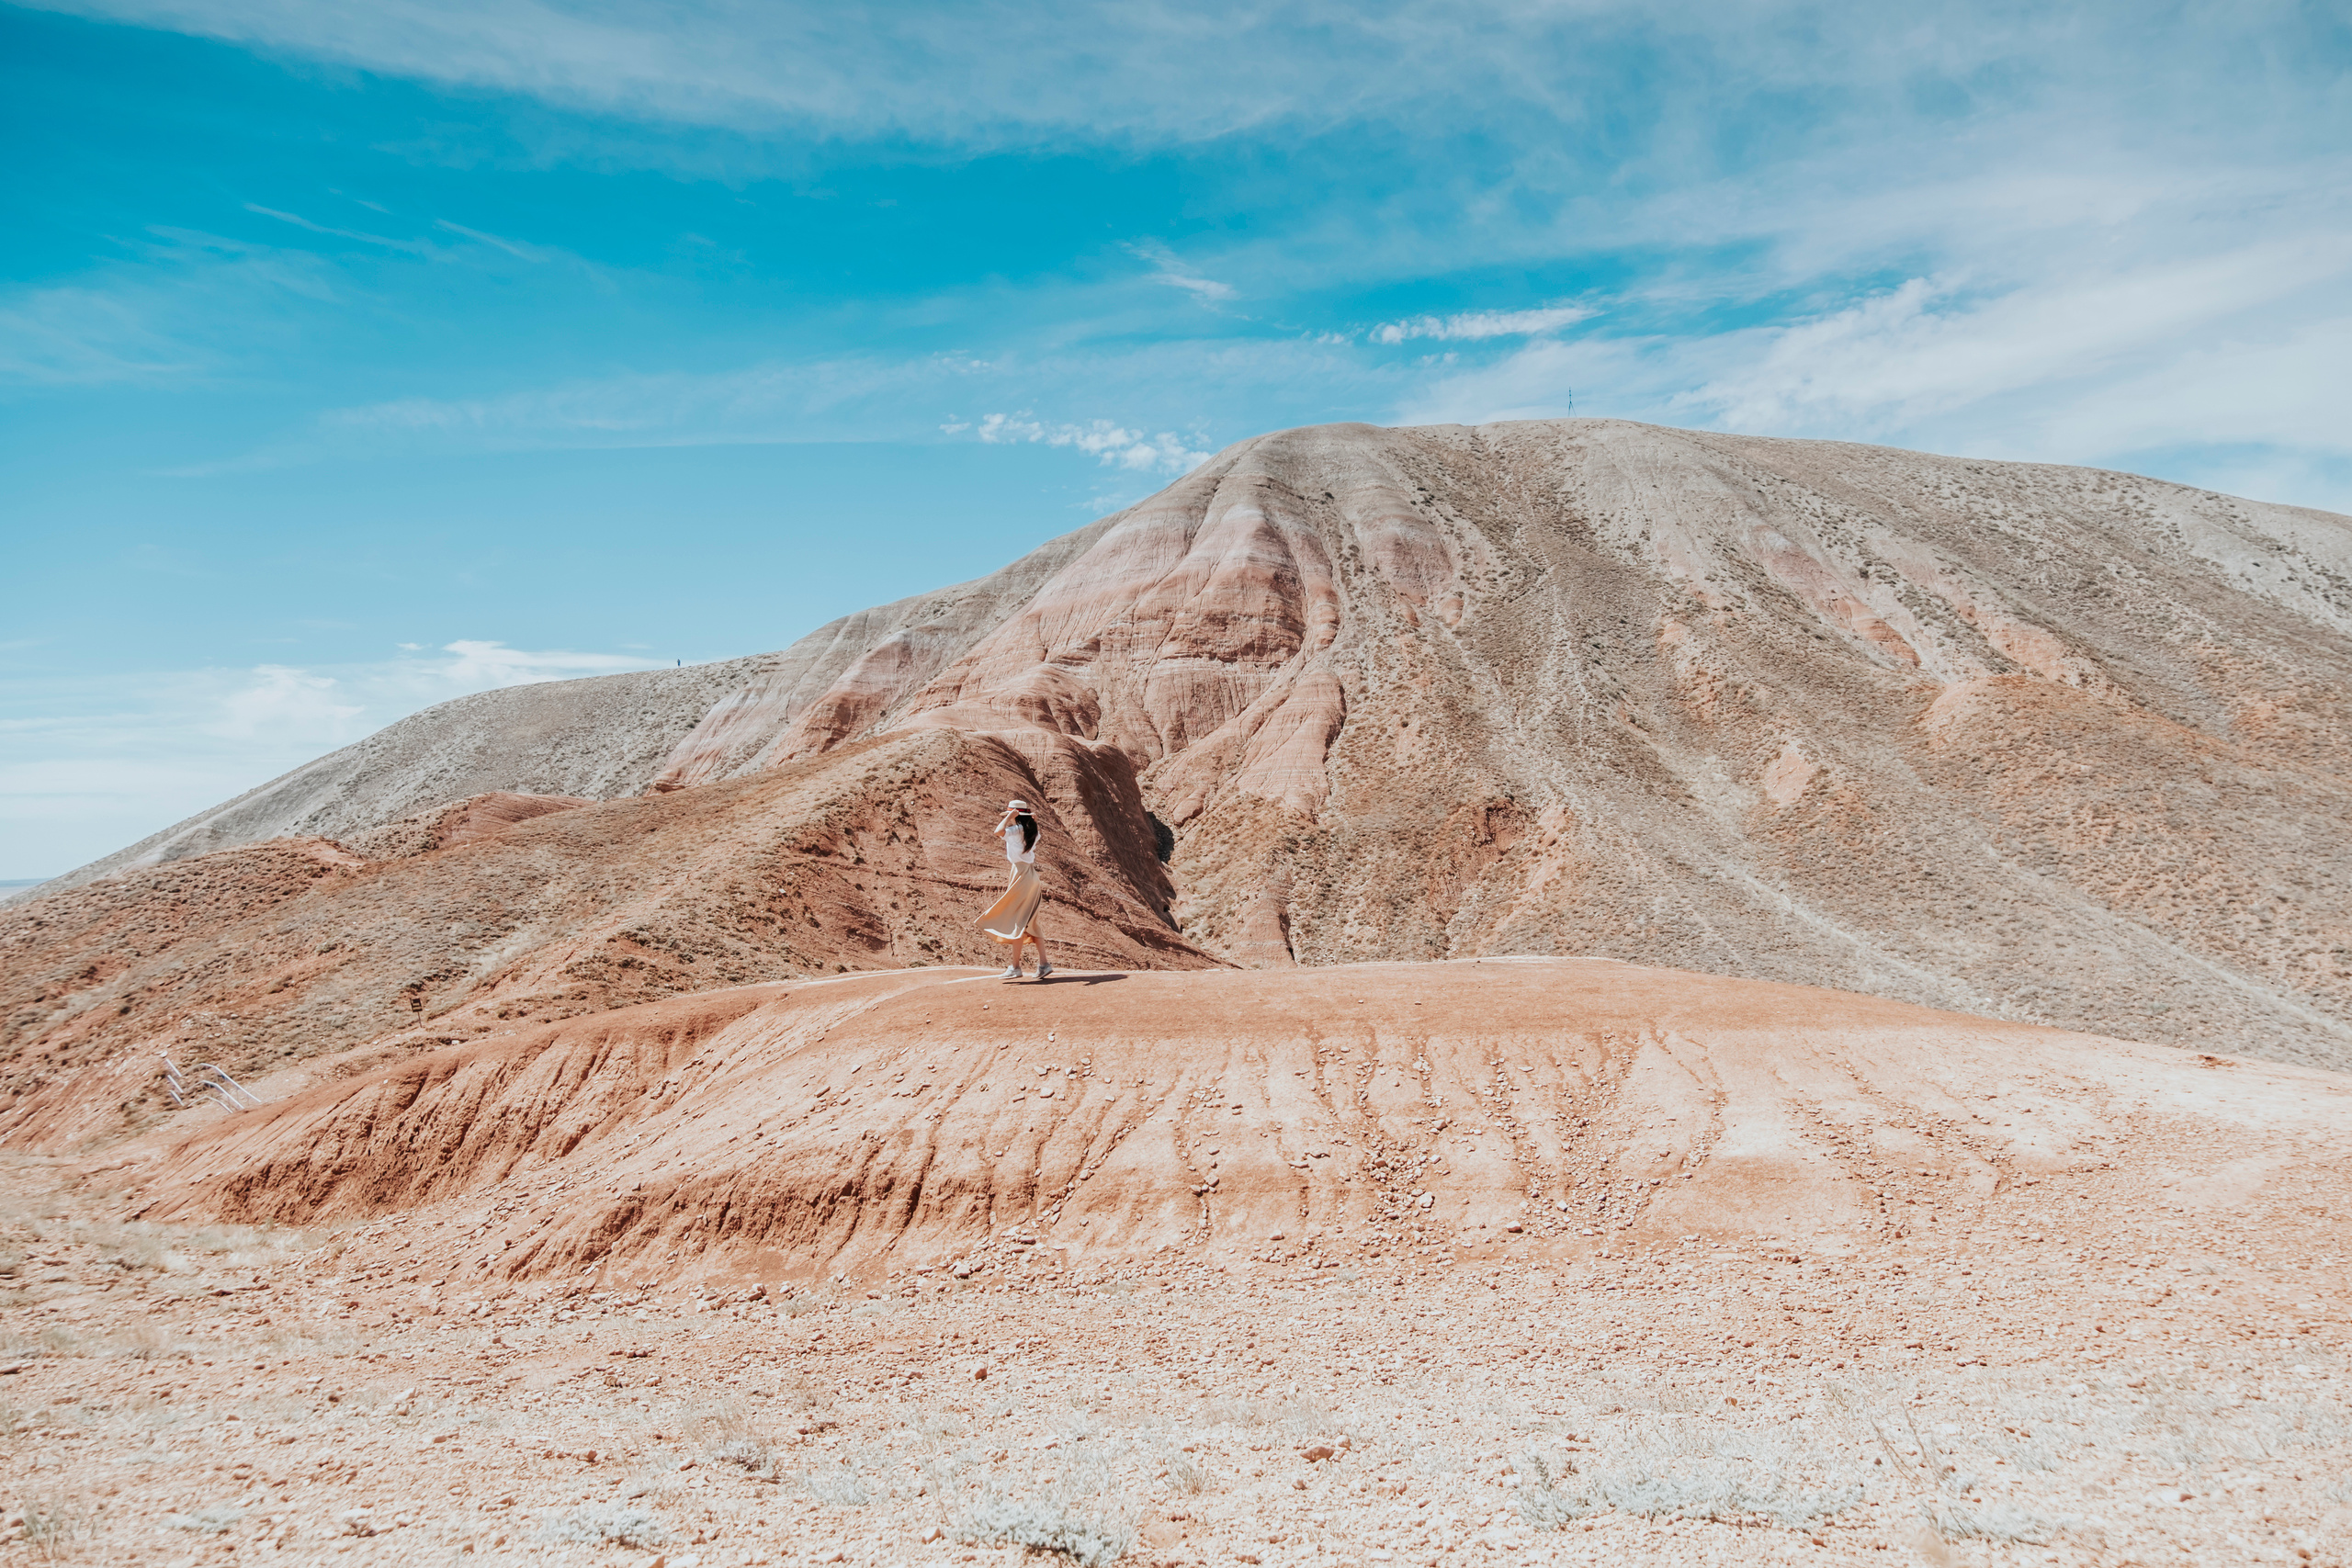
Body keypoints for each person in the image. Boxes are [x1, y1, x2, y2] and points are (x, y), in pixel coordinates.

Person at [978, 798, 1054, 979]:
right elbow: (1032, 830)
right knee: (1030, 921)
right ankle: (1043, 964)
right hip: (1031, 875)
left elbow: (998, 831)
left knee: (1018, 922)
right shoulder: (1033, 830)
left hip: (1020, 874)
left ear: (1017, 815)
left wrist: (1010, 817)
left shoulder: (1016, 830)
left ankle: (1015, 967)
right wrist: (1030, 820)